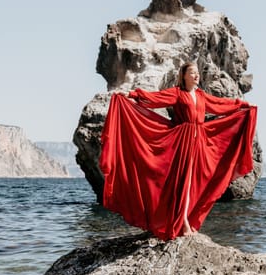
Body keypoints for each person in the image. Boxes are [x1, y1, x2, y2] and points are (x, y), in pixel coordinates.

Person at [99, 62, 257, 240]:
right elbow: (155, 99)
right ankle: (183, 223)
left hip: (200, 143)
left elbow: (221, 104)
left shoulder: (201, 95)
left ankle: (184, 220)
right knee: (184, 183)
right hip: (183, 142)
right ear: (183, 76)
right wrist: (131, 94)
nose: (196, 75)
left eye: (197, 72)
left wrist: (241, 105)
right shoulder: (177, 93)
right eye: (192, 72)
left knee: (194, 183)